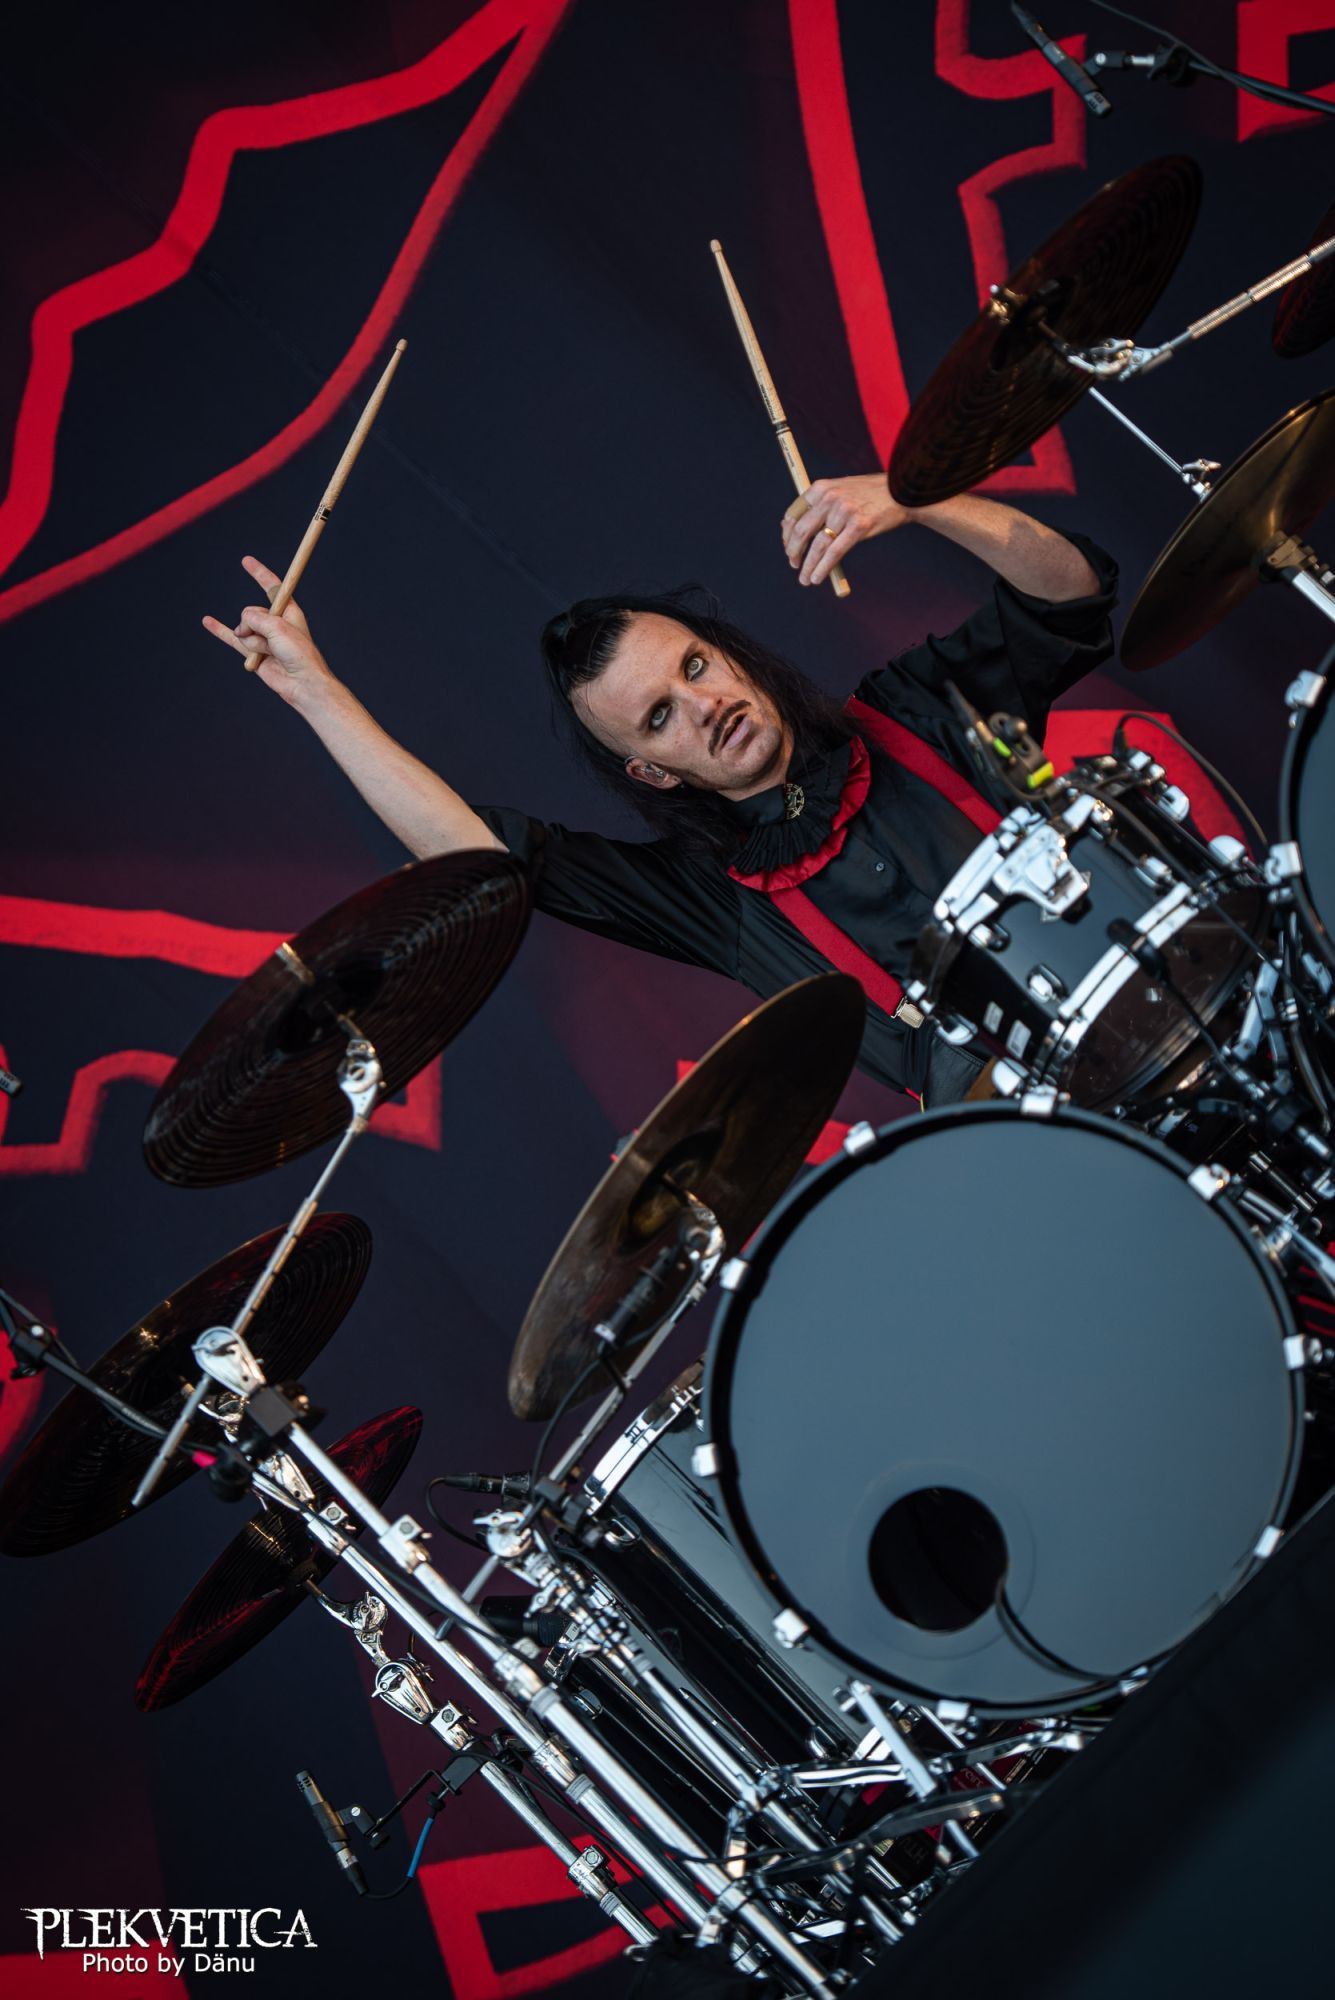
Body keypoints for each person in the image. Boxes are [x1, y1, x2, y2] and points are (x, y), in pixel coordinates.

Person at [203, 476, 1115, 1106]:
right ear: (650, 771)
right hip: (1038, 1141)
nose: (705, 706)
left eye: (695, 666)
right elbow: (474, 853)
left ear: (728, 654)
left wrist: (914, 500)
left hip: (1156, 989)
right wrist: (317, 695)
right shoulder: (710, 901)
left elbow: (1068, 597)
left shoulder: (909, 709)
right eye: (658, 717)